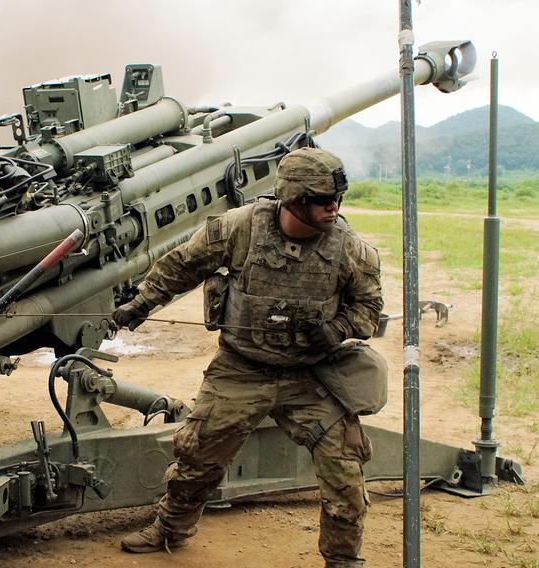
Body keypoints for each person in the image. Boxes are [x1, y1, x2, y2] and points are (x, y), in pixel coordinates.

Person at [112, 147, 387, 567]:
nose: (333, 207)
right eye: (322, 199)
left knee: (345, 470)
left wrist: (337, 329)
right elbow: (182, 265)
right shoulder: (241, 229)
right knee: (197, 455)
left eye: (338, 198)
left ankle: (343, 560)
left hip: (310, 376)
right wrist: (141, 303)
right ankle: (171, 527)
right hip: (240, 368)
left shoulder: (348, 248)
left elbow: (368, 307)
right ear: (293, 198)